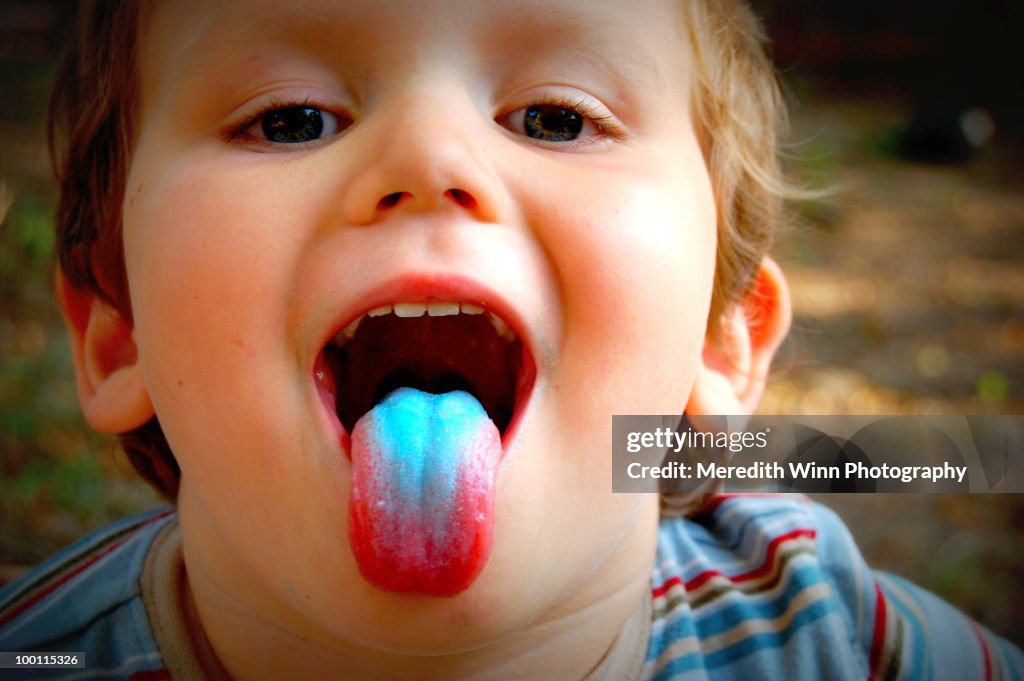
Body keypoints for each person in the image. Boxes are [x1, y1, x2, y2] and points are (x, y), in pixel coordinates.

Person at [1, 0, 1020, 678]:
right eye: (290, 120)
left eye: (554, 118)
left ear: (718, 338)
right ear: (115, 333)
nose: (431, 156)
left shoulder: (842, 642)